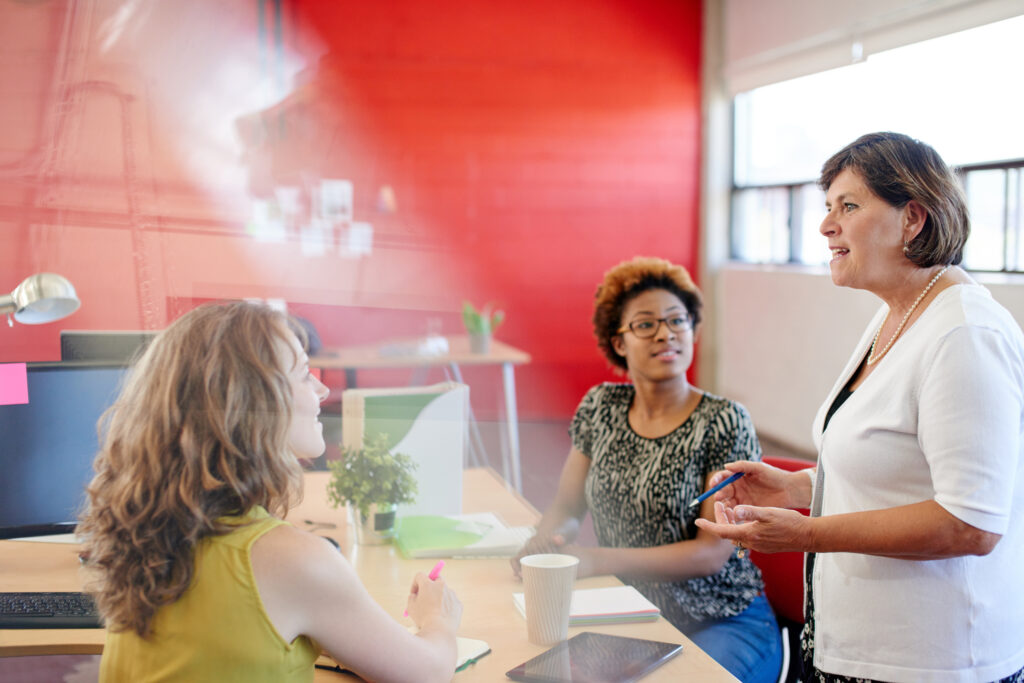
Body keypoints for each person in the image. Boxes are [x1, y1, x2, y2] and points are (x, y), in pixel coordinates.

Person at [696, 132, 1024, 683]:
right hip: (858, 645)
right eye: (828, 207)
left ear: (912, 219)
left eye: (848, 206)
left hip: (931, 663)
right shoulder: (898, 313)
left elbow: (971, 523)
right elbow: (899, 470)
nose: (827, 225)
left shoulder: (964, 333)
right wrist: (797, 488)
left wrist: (805, 534)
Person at [78, 302, 462, 683]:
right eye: (304, 374)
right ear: (251, 403)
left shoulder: (147, 532)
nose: (323, 389)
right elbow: (427, 674)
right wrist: (437, 620)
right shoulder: (292, 561)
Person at [511, 256, 782, 683]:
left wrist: (595, 560)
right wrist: (549, 542)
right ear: (618, 342)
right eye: (645, 324)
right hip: (629, 613)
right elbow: (566, 507)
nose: (665, 333)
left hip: (721, 619)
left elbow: (710, 553)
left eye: (678, 320)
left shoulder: (725, 419)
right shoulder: (601, 407)